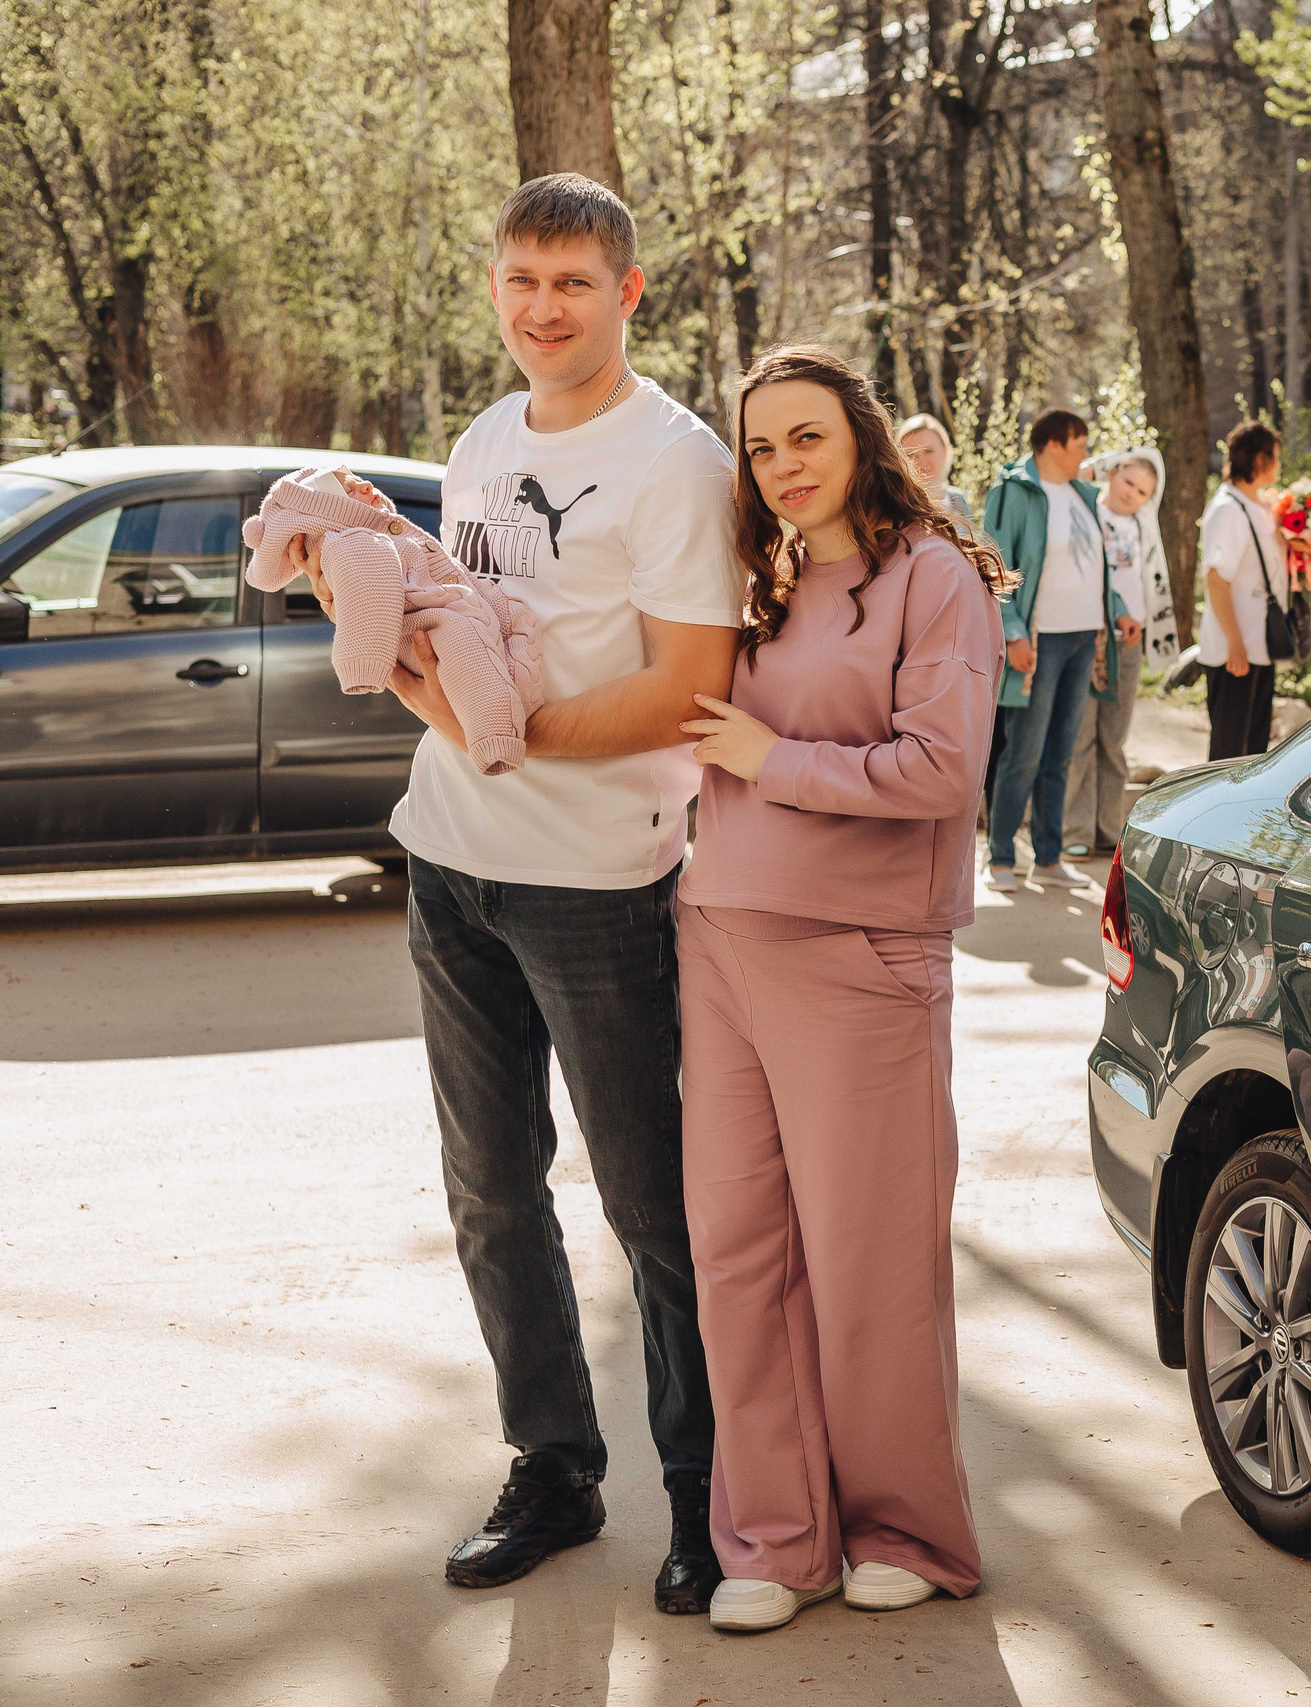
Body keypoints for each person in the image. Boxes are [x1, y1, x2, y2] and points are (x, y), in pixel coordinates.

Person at [285, 173, 741, 1612]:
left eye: (573, 283)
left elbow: (689, 687)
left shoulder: (675, 461)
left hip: (598, 880)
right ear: (494, 285)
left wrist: (512, 734)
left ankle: (712, 1490)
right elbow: (451, 623)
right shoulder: (484, 439)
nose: (544, 308)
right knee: (489, 1193)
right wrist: (362, 610)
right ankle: (554, 1464)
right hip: (450, 861)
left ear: (629, 293)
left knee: (653, 1206)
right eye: (522, 279)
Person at [672, 345, 1006, 1631]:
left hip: (861, 954)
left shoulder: (932, 578)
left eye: (805, 436)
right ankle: (776, 1538)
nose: (782, 466)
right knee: (738, 1254)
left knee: (870, 1263)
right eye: (760, 447)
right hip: (721, 939)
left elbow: (940, 770)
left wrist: (774, 758)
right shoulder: (755, 580)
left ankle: (905, 1528)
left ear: (861, 437)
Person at [980, 410, 1138, 891]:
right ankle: (1001, 857)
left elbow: (1095, 568)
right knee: (1024, 752)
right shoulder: (1011, 492)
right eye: (1080, 444)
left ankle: (1048, 860)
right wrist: (1013, 633)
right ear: (1053, 444)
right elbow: (993, 566)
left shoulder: (1083, 494)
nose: (1086, 453)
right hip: (1040, 639)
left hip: (1084, 638)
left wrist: (1118, 611)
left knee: (1061, 754)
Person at [1062, 447, 1173, 856]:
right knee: (1081, 735)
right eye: (1128, 482)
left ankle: (1108, 831)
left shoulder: (1144, 523)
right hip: (1088, 636)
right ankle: (1075, 833)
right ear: (1112, 474)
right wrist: (1109, 463)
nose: (1132, 495)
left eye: (1143, 491)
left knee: (1113, 738)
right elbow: (1077, 473)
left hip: (1129, 641)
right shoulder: (1087, 510)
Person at [1196, 419, 1285, 760]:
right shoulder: (1227, 510)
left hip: (1259, 647)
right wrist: (1235, 644)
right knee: (1228, 756)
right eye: (1276, 456)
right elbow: (1216, 579)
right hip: (1235, 653)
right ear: (1260, 460)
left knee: (1254, 755)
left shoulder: (1257, 506)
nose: (1280, 464)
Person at [897, 414, 974, 530]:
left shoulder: (959, 501)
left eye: (928, 451)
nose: (921, 461)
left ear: (945, 451)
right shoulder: (899, 510)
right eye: (911, 454)